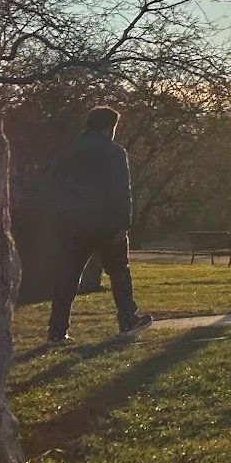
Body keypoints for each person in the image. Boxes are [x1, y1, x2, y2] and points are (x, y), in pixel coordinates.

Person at [46, 105, 153, 345]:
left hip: (72, 224)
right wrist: (123, 223)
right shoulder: (114, 152)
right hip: (105, 224)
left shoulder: (68, 150)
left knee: (67, 277)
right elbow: (120, 190)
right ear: (109, 127)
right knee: (119, 273)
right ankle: (128, 319)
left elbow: (55, 186)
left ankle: (56, 330)